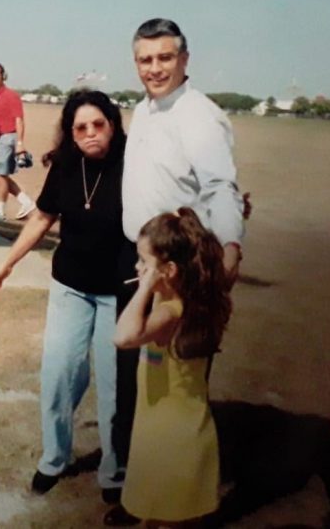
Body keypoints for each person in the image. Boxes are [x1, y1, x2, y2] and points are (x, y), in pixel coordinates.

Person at [112, 18, 245, 501]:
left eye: (165, 58)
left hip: (178, 272)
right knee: (137, 385)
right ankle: (135, 485)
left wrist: (230, 249)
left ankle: (179, 499)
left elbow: (221, 188)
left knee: (178, 395)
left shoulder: (200, 116)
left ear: (185, 59)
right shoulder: (144, 110)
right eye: (145, 60)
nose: (154, 68)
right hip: (140, 262)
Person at [0, 90, 126, 503]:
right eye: (80, 128)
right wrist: (7, 263)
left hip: (118, 293)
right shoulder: (66, 165)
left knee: (115, 386)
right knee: (59, 374)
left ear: (112, 125)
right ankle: (54, 458)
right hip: (70, 288)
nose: (90, 133)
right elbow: (43, 217)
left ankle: (114, 471)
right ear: (71, 133)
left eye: (98, 124)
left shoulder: (134, 164)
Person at [107, 208, 232, 527]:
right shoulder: (194, 297)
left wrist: (143, 287)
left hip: (173, 441)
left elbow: (123, 337)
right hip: (168, 431)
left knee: (169, 519)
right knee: (160, 515)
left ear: (170, 270)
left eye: (143, 262)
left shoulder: (170, 312)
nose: (137, 268)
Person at [0, 62, 36, 222]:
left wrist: (20, 143)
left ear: (3, 76)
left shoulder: (11, 96)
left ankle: (0, 212)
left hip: (8, 137)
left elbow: (19, 120)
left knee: (1, 175)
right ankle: (26, 202)